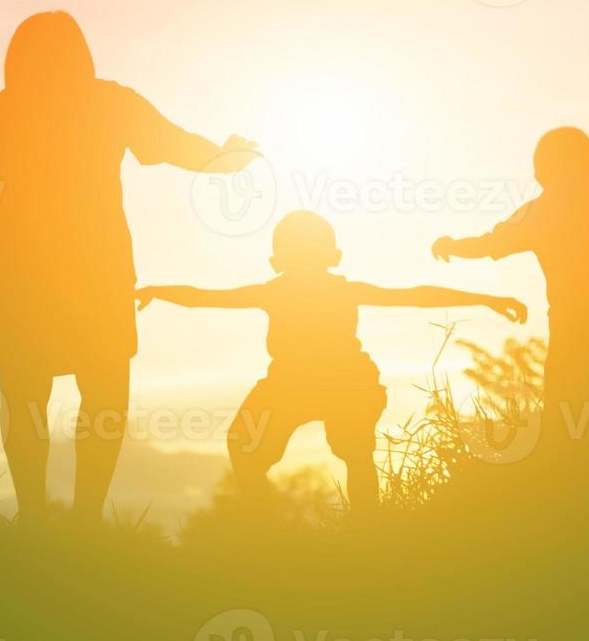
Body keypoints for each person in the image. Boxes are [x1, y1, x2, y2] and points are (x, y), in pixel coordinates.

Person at [0, 11, 258, 523]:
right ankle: (74, 518)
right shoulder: (102, 102)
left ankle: (42, 518)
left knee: (32, 393)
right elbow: (171, 145)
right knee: (93, 391)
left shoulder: (20, 107)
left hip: (40, 270)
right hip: (74, 268)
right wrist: (222, 158)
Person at [138, 211, 527, 511]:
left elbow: (205, 297)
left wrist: (159, 290)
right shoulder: (308, 290)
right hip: (324, 382)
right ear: (334, 255)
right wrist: (488, 299)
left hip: (332, 383)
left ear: (276, 259)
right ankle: (312, 529)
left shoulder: (280, 290)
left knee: (284, 448)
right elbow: (414, 294)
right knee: (322, 452)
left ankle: (308, 530)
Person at [432, 123, 589, 436]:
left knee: (565, 428)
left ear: (541, 172)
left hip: (571, 334)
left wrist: (451, 245)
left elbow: (489, 244)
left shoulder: (539, 211)